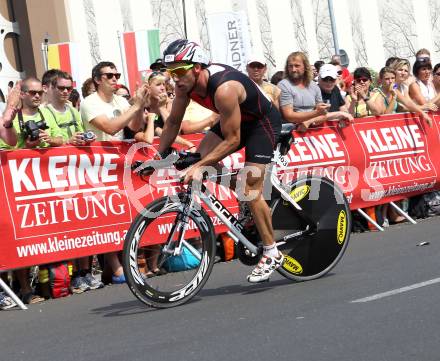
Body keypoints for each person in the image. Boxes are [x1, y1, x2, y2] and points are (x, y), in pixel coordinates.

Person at [158, 39, 283, 283]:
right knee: (201, 157)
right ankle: (252, 203)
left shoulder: (224, 89)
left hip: (261, 123)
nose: (175, 79)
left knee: (247, 188)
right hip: (235, 119)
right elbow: (173, 122)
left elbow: (233, 139)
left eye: (180, 71)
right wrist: (158, 157)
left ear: (196, 67)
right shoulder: (185, 87)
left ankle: (271, 251)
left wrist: (198, 166)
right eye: (171, 72)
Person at [80, 61, 149, 283]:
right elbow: (110, 128)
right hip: (97, 164)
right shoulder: (90, 102)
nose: (114, 78)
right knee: (106, 216)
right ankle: (115, 267)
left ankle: (128, 262)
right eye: (109, 75)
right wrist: (133, 106)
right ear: (97, 80)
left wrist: (138, 106)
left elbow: (136, 127)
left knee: (126, 213)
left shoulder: (120, 100)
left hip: (119, 163)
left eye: (116, 74)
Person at [278, 51, 329, 127]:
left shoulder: (314, 86)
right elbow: (289, 116)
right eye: (290, 66)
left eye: (297, 66)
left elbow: (323, 115)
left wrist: (309, 122)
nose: (293, 69)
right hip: (292, 132)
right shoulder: (284, 85)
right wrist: (316, 113)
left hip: (313, 131)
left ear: (305, 67)